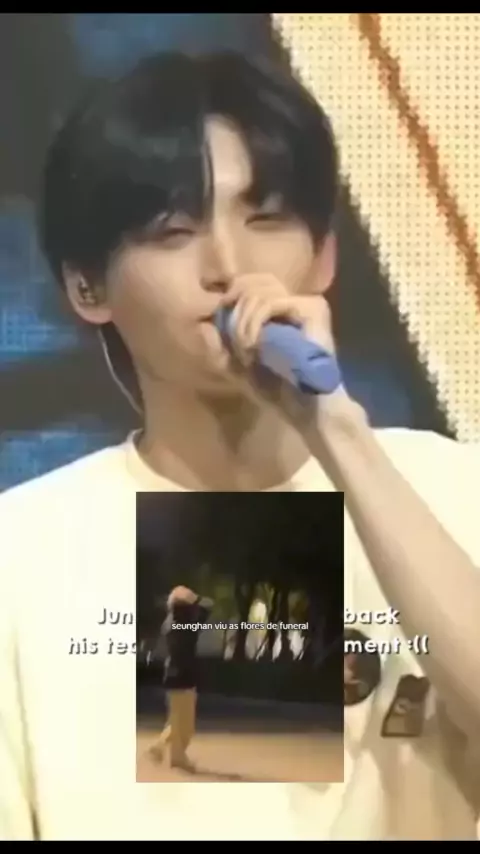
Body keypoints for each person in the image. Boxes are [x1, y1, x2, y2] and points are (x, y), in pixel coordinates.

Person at [0, 50, 479, 841]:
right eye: (174, 231)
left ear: (324, 255)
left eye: (266, 219)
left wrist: (339, 436)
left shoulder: (449, 487)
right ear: (87, 286)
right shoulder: (24, 549)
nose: (228, 267)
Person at [150, 585, 213, 771]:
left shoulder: (171, 622)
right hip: (183, 676)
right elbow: (206, 609)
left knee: (176, 720)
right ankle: (175, 757)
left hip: (174, 674)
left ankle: (160, 749)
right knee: (184, 724)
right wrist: (197, 600)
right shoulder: (184, 624)